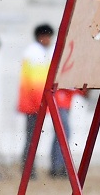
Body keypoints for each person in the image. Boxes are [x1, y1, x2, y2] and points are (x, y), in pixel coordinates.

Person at [17, 24, 75, 179]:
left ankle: (29, 169)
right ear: (42, 37)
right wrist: (44, 103)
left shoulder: (38, 52)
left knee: (32, 137)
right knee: (33, 137)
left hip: (36, 101)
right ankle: (29, 169)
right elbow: (36, 83)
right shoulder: (34, 53)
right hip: (35, 102)